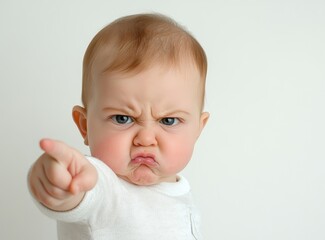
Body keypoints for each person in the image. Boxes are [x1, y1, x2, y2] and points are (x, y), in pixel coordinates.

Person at [28, 13, 209, 240]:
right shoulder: (103, 185)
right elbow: (82, 196)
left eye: (168, 120)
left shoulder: (178, 189)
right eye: (123, 119)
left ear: (198, 129)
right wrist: (60, 184)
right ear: (85, 126)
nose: (145, 139)